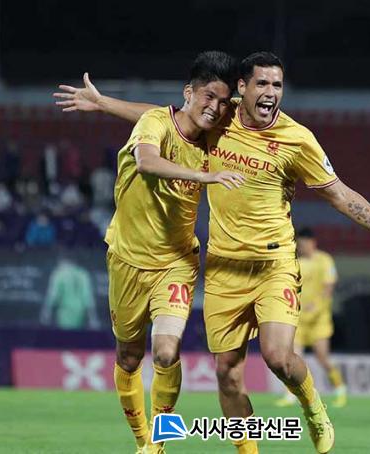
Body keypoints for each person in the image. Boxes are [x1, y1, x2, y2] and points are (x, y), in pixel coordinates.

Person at [55, 51, 370, 454]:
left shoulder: (297, 139)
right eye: (262, 84)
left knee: (277, 357)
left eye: (277, 85)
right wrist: (103, 103)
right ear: (243, 87)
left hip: (273, 263)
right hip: (223, 267)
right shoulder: (222, 116)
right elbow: (166, 118)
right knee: (227, 375)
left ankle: (312, 405)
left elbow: (339, 194)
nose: (271, 92)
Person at [57, 51, 242, 454]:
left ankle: (157, 443)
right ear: (188, 93)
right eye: (209, 97)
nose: (216, 108)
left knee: (166, 351)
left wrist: (105, 103)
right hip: (126, 259)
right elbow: (147, 161)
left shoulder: (215, 136)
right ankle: (141, 437)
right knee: (128, 357)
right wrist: (205, 176)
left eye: (224, 101)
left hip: (176, 262)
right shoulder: (154, 124)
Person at [275, 227, 347, 408]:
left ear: (312, 243)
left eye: (304, 244)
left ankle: (340, 389)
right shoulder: (294, 262)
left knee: (322, 357)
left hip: (319, 320)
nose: (301, 247)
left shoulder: (324, 260)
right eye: (299, 244)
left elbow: (328, 287)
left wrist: (316, 305)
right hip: (297, 318)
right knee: (293, 358)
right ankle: (291, 395)